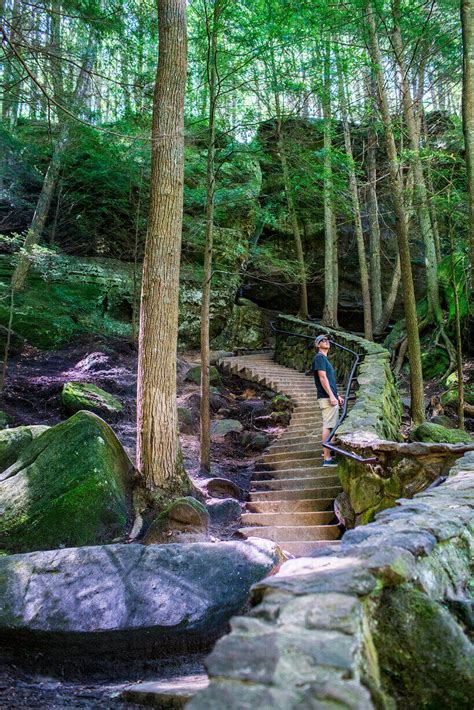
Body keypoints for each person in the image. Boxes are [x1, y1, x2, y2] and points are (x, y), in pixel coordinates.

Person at [312, 334, 344, 466]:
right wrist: (331, 396)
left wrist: (336, 396)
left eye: (327, 340)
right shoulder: (319, 358)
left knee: (332, 425)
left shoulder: (324, 359)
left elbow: (329, 380)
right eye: (323, 340)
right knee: (329, 425)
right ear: (318, 345)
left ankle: (328, 452)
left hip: (329, 396)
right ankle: (327, 458)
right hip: (326, 398)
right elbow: (322, 378)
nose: (327, 341)